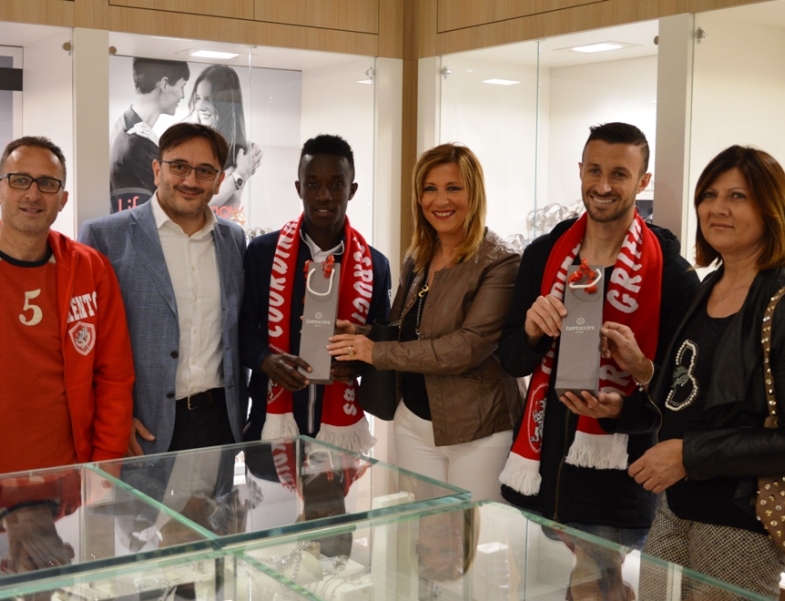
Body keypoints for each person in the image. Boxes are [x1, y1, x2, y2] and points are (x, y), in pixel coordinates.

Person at [497, 122, 699, 599]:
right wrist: (532, 332)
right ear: (580, 170)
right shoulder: (543, 255)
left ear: (643, 182)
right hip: (541, 476)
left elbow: (682, 396)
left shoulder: (672, 274)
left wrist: (622, 408)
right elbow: (510, 360)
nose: (603, 185)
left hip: (616, 485)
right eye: (594, 170)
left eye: (619, 174)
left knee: (600, 592)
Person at [588, 145, 785, 599]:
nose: (718, 208)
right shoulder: (708, 286)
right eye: (709, 195)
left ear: (770, 208)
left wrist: (689, 456)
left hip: (742, 518)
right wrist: (628, 399)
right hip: (677, 504)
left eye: (737, 196)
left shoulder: (779, 300)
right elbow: (689, 396)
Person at [327, 143, 522, 502]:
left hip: (477, 431)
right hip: (413, 422)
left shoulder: (501, 262)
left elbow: (465, 348)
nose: (440, 200)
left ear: (474, 194)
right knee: (424, 531)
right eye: (430, 189)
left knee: (476, 532)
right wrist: (360, 335)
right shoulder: (418, 258)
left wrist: (374, 352)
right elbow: (403, 331)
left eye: (453, 188)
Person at [79, 122, 246, 456]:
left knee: (218, 495)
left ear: (219, 181)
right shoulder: (104, 237)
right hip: (143, 427)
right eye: (179, 167)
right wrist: (114, 417)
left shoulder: (234, 239)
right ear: (157, 170)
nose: (190, 181)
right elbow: (85, 344)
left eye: (204, 171)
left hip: (221, 422)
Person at [0, 136, 134, 475]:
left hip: (69, 481)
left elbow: (114, 378)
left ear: (63, 199)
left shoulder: (90, 269)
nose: (33, 194)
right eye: (19, 180)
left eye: (47, 183)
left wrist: (105, 471)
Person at [240, 134, 390, 454]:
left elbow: (382, 345)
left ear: (352, 190)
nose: (324, 196)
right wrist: (265, 360)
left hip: (339, 426)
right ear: (299, 188)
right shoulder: (262, 253)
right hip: (270, 419)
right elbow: (241, 328)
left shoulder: (375, 265)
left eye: (337, 185)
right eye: (312, 184)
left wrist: (360, 365)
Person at [110, 58, 190, 212]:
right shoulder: (140, 145)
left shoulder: (122, 123)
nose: (183, 95)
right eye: (182, 86)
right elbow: (177, 203)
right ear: (164, 84)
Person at [186, 64, 262, 218]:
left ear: (226, 104)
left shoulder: (244, 150)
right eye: (198, 98)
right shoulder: (191, 145)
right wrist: (240, 174)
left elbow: (205, 203)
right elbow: (195, 203)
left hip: (223, 229)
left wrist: (240, 173)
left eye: (209, 100)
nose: (200, 106)